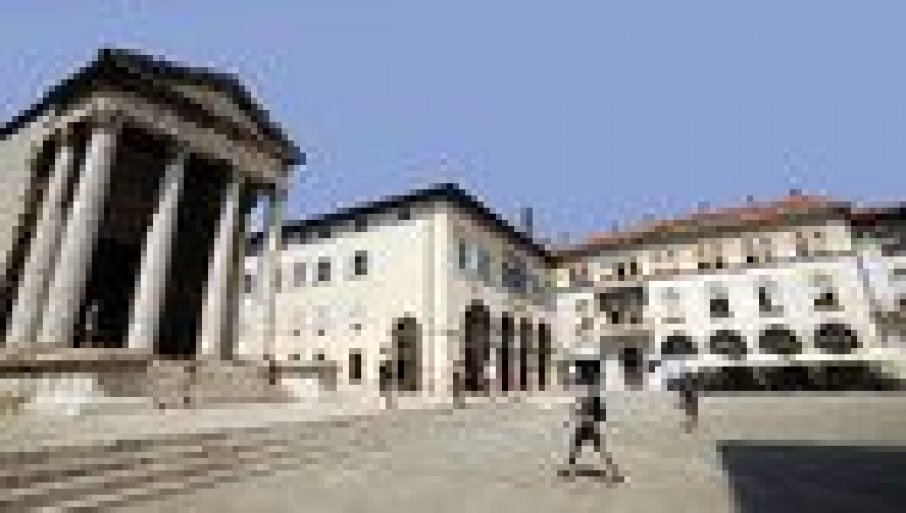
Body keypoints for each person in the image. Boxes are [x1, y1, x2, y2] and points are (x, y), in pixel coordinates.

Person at [561, 380, 619, 479]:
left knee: (582, 447)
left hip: (588, 426)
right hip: (588, 426)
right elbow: (598, 414)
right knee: (595, 448)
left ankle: (612, 469)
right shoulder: (592, 399)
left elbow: (595, 414)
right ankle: (612, 470)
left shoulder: (592, 400)